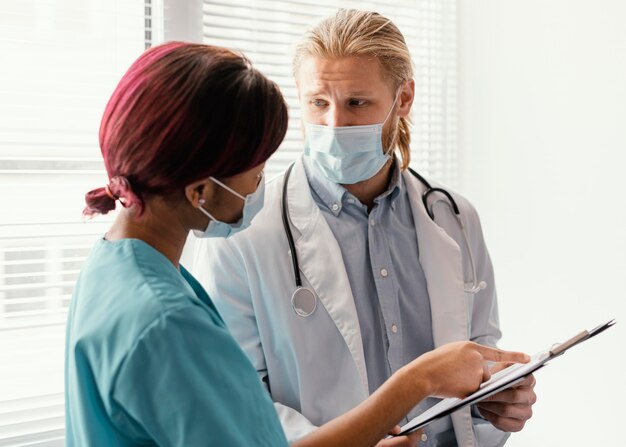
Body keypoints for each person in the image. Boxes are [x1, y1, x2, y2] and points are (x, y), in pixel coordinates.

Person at [64, 42, 529, 447]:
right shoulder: (166, 321)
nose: (263, 178)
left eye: (358, 102)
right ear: (199, 191)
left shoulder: (121, 270)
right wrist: (415, 382)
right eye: (257, 164)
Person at [193, 9, 537, 447]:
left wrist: (502, 395)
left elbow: (481, 353)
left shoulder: (454, 218)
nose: (335, 124)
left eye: (357, 103)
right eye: (318, 102)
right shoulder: (242, 233)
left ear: (403, 99)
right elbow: (235, 400)